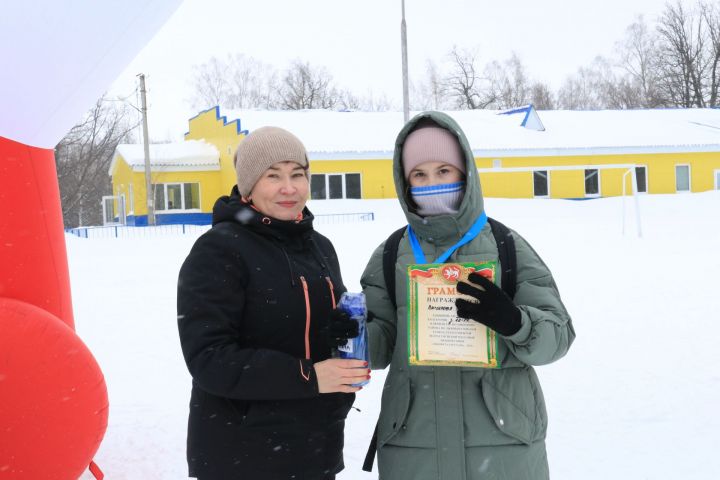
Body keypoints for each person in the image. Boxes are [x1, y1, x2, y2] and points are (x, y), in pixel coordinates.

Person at [361, 111, 575, 479]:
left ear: (465, 173)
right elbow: (380, 348)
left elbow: (557, 338)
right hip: (414, 447)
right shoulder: (392, 253)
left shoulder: (507, 245)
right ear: (405, 182)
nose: (432, 184)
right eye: (420, 175)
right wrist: (351, 334)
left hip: (503, 440)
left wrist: (516, 322)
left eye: (444, 171)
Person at [177, 126, 368, 480]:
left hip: (315, 450)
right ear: (249, 185)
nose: (289, 187)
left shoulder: (319, 247)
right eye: (273, 176)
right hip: (244, 456)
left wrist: (337, 335)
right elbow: (210, 359)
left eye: (298, 174)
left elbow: (298, 328)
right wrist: (309, 376)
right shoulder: (219, 250)